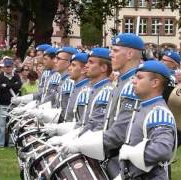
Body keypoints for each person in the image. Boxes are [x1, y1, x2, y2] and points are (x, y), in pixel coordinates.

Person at [60, 33, 144, 179]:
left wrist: (81, 144)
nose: (111, 54)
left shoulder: (132, 85)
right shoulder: (121, 82)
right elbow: (105, 125)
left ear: (130, 54)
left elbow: (122, 132)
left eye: (115, 50)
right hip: (116, 158)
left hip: (131, 165)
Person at [0, 58, 22, 147]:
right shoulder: (0, 76)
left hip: (14, 104)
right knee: (1, 125)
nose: (8, 68)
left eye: (9, 67)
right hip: (2, 103)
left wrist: (6, 85)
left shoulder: (16, 76)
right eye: (6, 67)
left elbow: (18, 86)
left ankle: (11, 143)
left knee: (13, 125)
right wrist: (11, 85)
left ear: (12, 67)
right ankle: (0, 143)